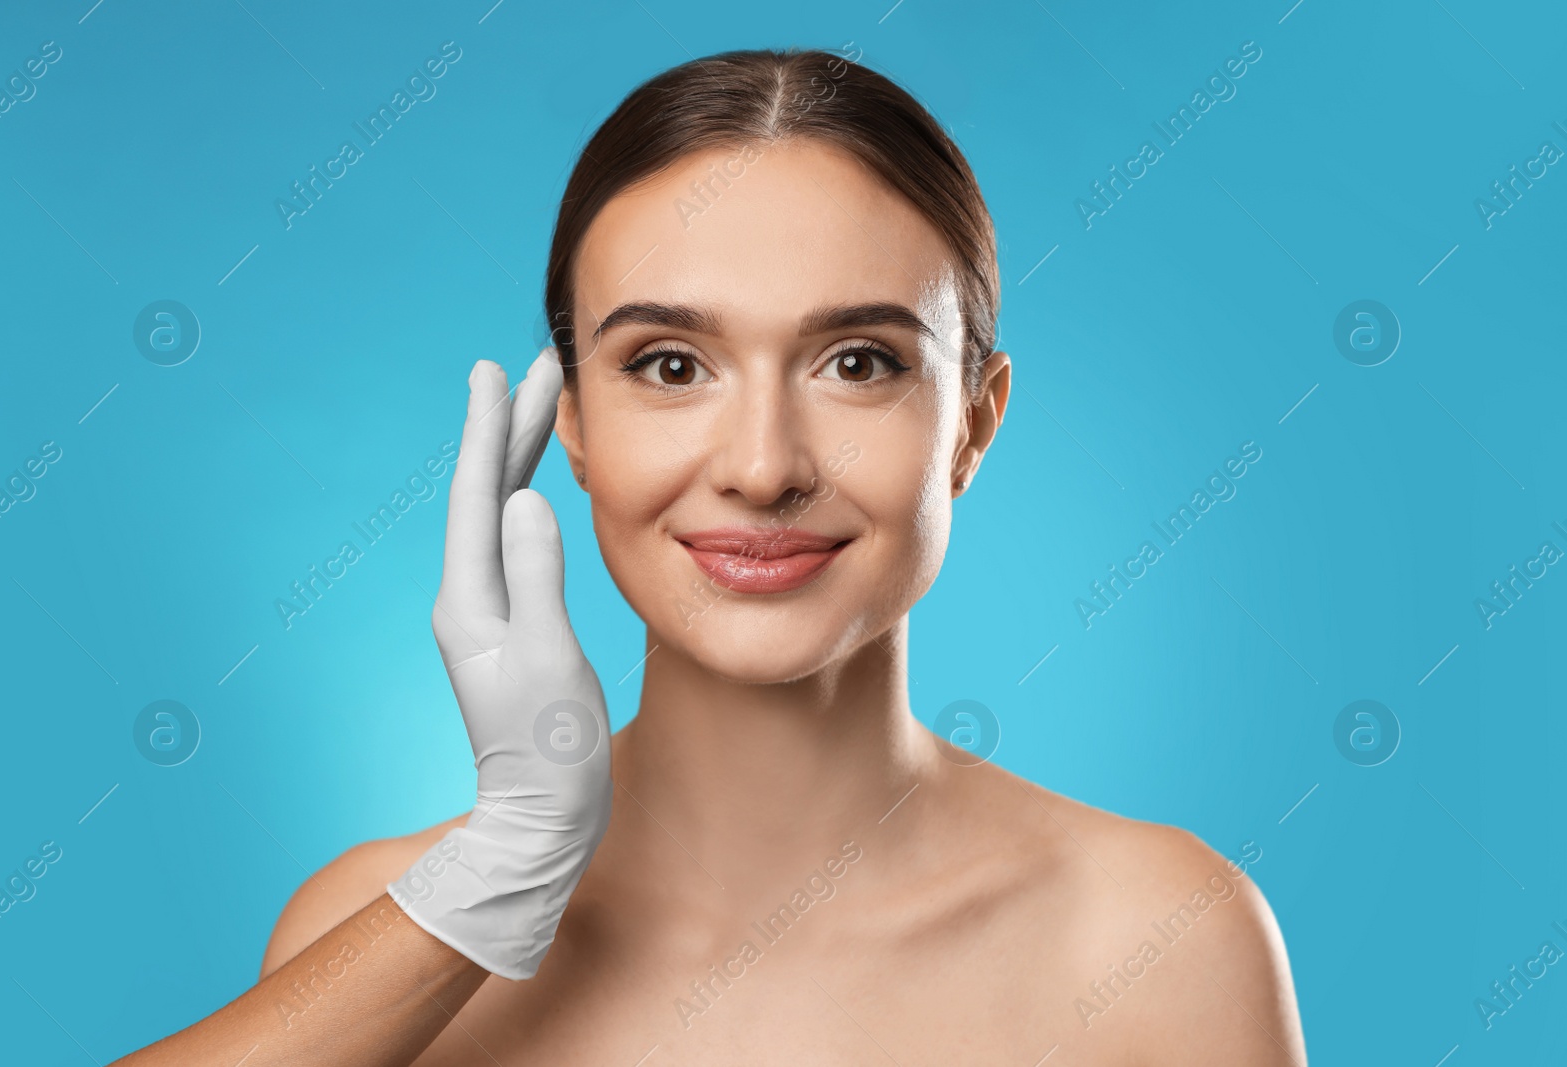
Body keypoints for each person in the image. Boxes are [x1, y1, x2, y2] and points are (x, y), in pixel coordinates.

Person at [113, 47, 1305, 1065]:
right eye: (670, 366)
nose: (762, 465)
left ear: (972, 427)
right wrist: (499, 877)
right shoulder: (390, 928)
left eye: (859, 362)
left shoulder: (1162, 940)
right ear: (569, 422)